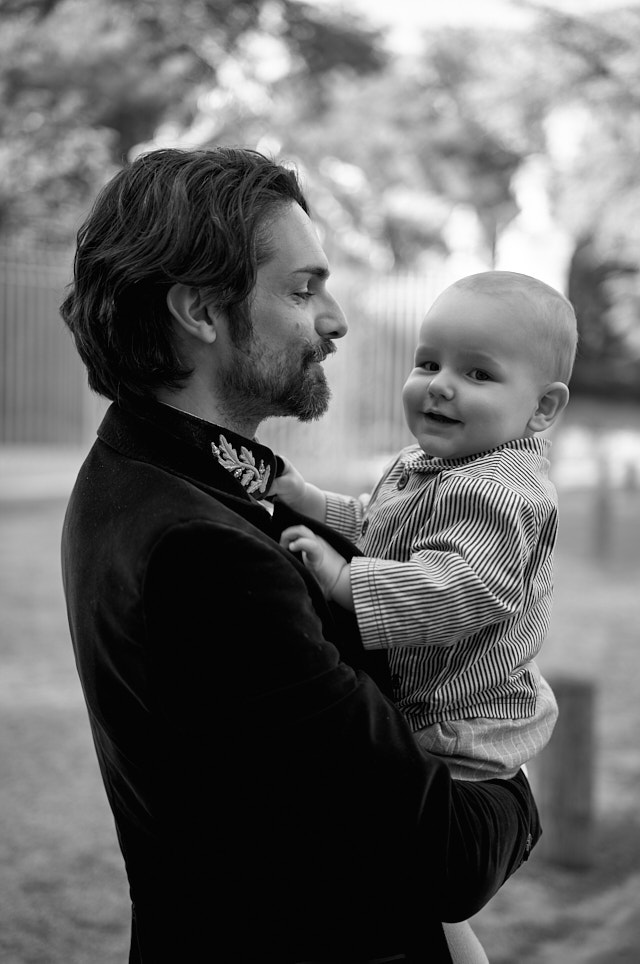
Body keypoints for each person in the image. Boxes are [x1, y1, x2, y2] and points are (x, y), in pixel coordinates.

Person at [60, 148, 541, 964]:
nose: (337, 319)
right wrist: (518, 780)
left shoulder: (147, 473)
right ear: (202, 311)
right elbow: (445, 858)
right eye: (303, 288)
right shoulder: (202, 554)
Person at [277, 270, 577, 782]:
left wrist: (344, 580)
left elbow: (456, 588)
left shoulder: (499, 491)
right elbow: (384, 528)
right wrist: (312, 501)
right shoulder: (433, 464)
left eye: (478, 374)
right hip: (426, 710)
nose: (439, 385)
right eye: (428, 363)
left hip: (462, 730)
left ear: (542, 408)